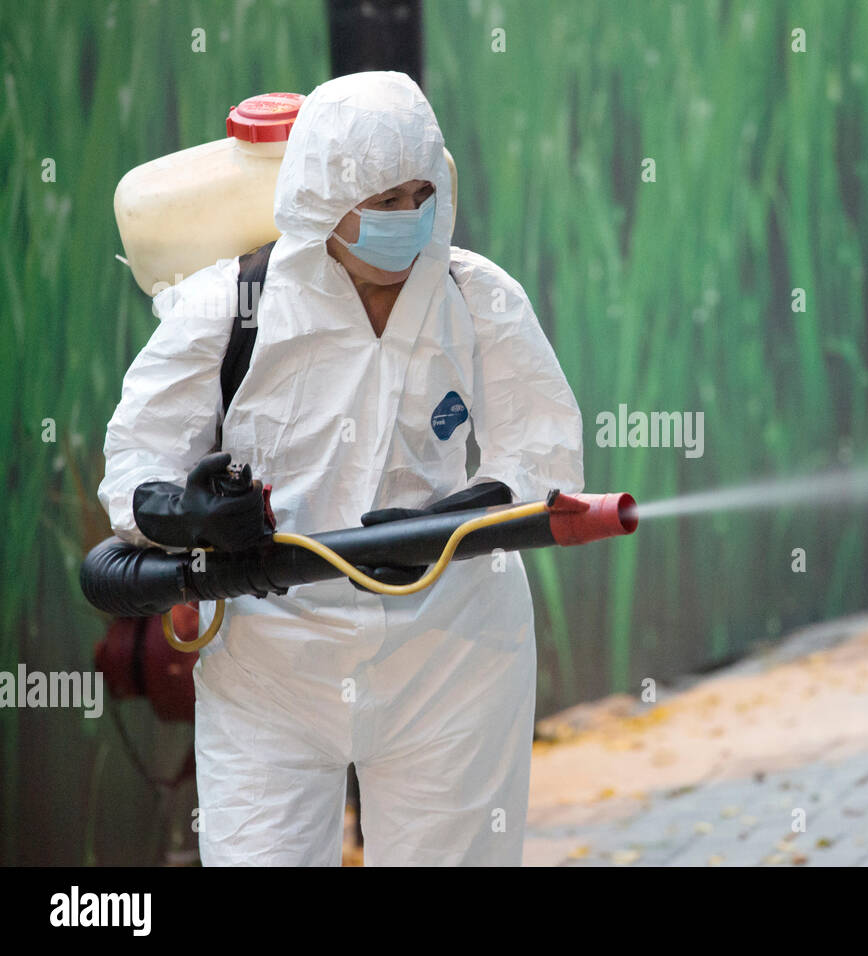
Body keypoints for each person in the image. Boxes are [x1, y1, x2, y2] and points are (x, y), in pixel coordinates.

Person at [97, 71, 584, 865]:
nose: (407, 218)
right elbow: (137, 458)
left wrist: (453, 520)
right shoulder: (232, 305)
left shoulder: (476, 296)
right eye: (382, 201)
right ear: (323, 199)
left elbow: (545, 448)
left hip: (452, 652)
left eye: (421, 193)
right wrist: (185, 512)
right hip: (270, 668)